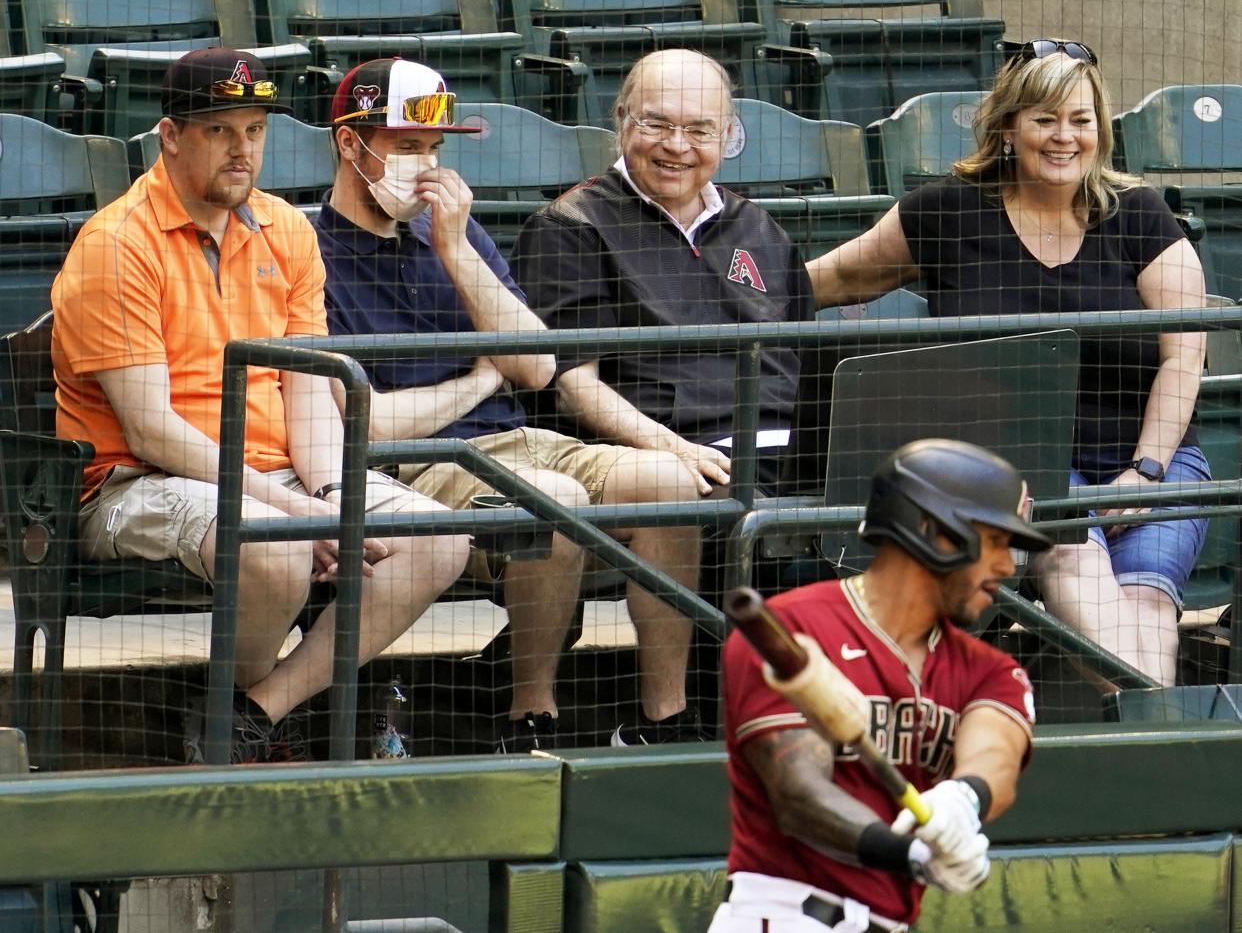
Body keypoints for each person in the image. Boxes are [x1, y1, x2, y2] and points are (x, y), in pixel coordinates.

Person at [51, 48, 472, 764]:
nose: (242, 149)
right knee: (274, 550)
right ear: (171, 136)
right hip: (134, 483)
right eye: (220, 130)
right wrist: (299, 514)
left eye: (255, 130)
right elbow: (153, 431)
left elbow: (306, 390)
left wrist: (332, 492)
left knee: (440, 537)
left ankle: (249, 715)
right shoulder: (116, 245)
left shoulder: (286, 228)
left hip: (270, 476)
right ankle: (242, 730)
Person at [315, 57, 706, 750]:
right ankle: (530, 717)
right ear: (351, 144)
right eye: (407, 147)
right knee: (552, 502)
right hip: (417, 466)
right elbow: (364, 422)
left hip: (519, 442)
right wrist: (477, 381)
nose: (426, 166)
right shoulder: (306, 249)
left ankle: (662, 722)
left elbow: (535, 365)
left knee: (671, 484)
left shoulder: (454, 232)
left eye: (434, 149)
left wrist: (457, 248)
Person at [806, 40, 1209, 686]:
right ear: (1007, 127)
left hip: (1154, 459)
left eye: (1081, 120)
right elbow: (833, 280)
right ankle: (1163, 747)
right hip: (1024, 463)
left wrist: (1145, 470)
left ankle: (1147, 744)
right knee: (1075, 561)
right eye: (1045, 119)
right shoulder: (949, 212)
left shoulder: (1138, 215)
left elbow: (1186, 352)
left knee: (1148, 606)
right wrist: (725, 299)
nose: (1064, 137)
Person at [710, 439, 1048, 932]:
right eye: (996, 542)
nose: (1007, 566)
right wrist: (911, 853)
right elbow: (799, 794)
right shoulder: (793, 633)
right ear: (934, 531)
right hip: (781, 917)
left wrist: (964, 797)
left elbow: (995, 753)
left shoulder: (989, 669)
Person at [511, 49, 814, 498]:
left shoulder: (757, 225)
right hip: (683, 459)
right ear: (621, 121)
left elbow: (805, 357)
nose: (676, 144)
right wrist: (677, 452)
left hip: (797, 452)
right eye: (656, 124)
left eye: (699, 129)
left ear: (726, 135)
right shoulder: (571, 227)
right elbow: (572, 388)